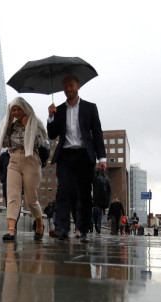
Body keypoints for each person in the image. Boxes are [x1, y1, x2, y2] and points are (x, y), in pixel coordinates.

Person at [47, 75, 106, 243]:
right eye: (65, 86)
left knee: (85, 194)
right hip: (65, 155)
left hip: (84, 156)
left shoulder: (90, 108)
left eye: (71, 85)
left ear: (78, 86)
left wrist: (102, 158)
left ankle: (83, 229)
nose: (68, 89)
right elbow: (52, 135)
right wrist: (51, 117)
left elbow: (97, 133)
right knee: (64, 191)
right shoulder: (59, 110)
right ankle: (63, 229)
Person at [0, 97, 48, 241]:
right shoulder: (10, 124)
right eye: (13, 109)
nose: (16, 112)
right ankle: (11, 230)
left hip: (31, 158)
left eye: (18, 109)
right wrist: (7, 126)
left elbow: (40, 142)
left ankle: (40, 223)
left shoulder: (34, 121)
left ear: (24, 108)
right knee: (12, 196)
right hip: (14, 159)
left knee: (31, 199)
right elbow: (5, 143)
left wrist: (28, 126)